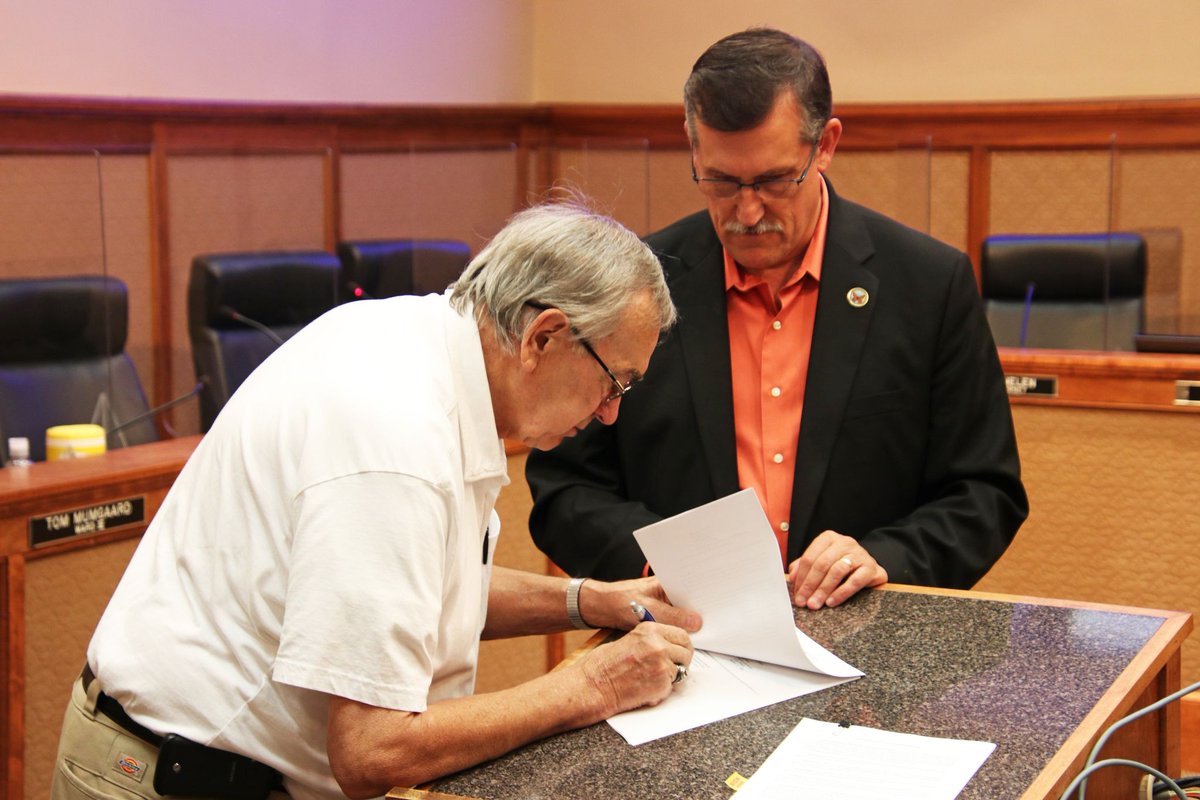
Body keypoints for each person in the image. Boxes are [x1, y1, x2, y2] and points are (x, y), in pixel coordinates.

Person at [52, 201, 702, 800]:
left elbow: (424, 588)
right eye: (613, 382)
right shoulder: (394, 433)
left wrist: (592, 600)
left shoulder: (422, 340)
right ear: (543, 338)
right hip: (160, 776)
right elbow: (372, 751)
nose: (613, 414)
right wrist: (591, 684)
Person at [527, 28, 1028, 612]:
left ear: (826, 145)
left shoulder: (928, 283)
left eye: (772, 180)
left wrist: (885, 559)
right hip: (677, 635)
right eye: (719, 181)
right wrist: (662, 565)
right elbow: (565, 489)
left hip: (869, 637)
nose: (746, 211)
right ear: (692, 151)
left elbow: (984, 493)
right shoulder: (631, 287)